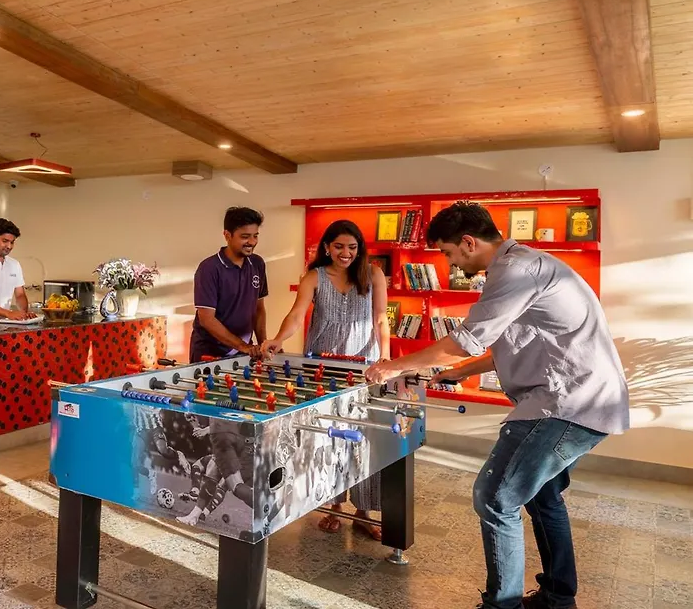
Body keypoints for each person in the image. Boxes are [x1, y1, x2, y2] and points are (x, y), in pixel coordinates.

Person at [362, 201, 629, 609]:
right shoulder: (524, 265)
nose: (450, 262)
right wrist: (459, 371)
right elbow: (518, 342)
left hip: (564, 404)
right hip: (583, 400)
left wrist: (393, 366)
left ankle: (502, 604)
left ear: (469, 242)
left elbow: (465, 340)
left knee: (494, 497)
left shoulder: (515, 270)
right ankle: (558, 598)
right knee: (542, 496)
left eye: (448, 253)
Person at [261, 219, 389, 541]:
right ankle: (333, 506)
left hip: (365, 367)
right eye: (339, 246)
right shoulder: (314, 276)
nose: (346, 253)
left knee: (364, 438)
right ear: (327, 248)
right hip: (321, 366)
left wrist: (386, 358)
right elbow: (296, 314)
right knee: (327, 437)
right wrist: (278, 339)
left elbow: (380, 319)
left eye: (352, 247)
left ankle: (364, 512)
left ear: (359, 249)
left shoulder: (373, 274)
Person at [189, 207, 269, 362]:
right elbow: (206, 319)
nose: (252, 242)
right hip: (209, 353)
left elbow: (259, 309)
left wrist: (263, 345)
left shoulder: (257, 263)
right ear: (227, 235)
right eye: (245, 236)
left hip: (244, 351)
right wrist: (242, 346)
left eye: (255, 236)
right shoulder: (209, 268)